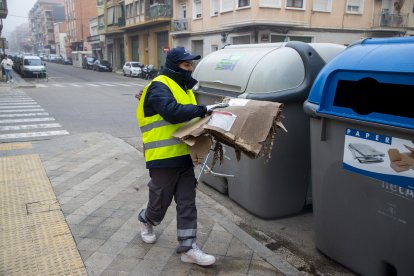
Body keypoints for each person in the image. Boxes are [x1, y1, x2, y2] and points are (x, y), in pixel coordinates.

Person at [136, 47, 227, 266]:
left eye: (191, 65)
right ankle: (146, 218)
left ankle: (188, 248)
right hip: (163, 156)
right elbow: (173, 112)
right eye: (186, 65)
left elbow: (190, 120)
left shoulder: (184, 88)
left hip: (185, 155)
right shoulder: (159, 85)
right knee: (160, 202)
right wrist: (204, 109)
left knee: (187, 202)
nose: (190, 69)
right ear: (174, 66)